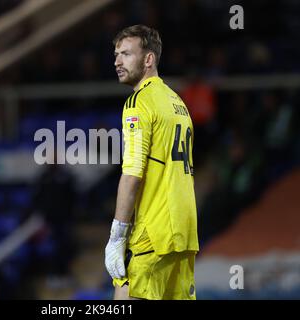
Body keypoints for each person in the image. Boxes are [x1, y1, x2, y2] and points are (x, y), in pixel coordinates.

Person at [105, 25, 199, 300]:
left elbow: (132, 173)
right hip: (184, 235)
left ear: (148, 59)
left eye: (125, 54)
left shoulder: (139, 102)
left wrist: (117, 235)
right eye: (116, 54)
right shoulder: (177, 102)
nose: (117, 61)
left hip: (154, 235)